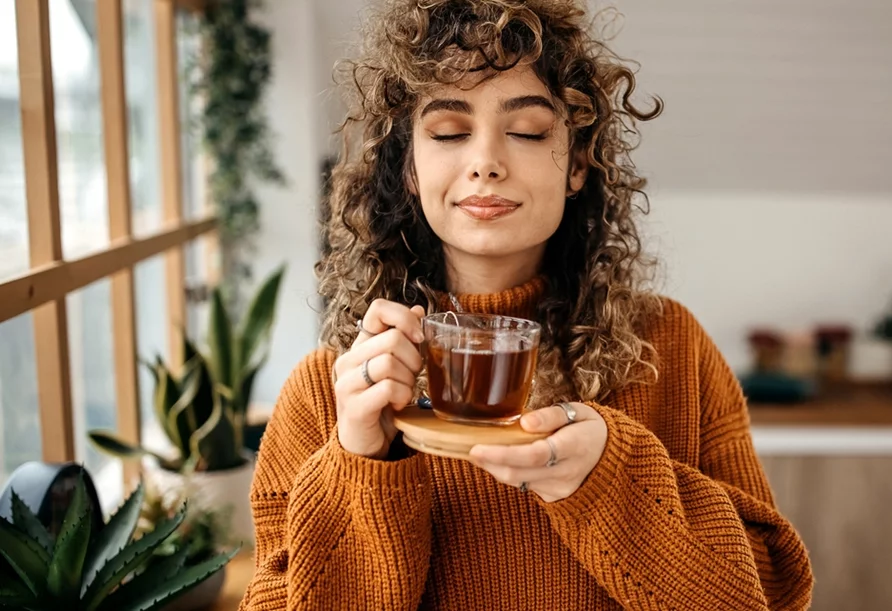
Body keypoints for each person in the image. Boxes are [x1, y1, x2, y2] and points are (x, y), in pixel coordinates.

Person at [242, 0, 813, 609]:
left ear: (577, 164)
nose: (486, 162)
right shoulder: (329, 395)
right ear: (408, 166)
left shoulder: (670, 351)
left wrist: (612, 481)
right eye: (448, 133)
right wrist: (362, 462)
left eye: (528, 132)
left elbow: (773, 592)